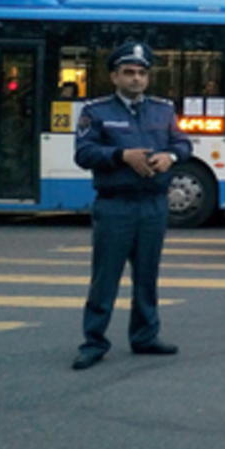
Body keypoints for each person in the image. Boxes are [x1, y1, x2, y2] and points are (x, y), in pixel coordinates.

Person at [71, 42, 192, 370]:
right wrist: (121, 156)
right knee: (105, 277)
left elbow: (182, 142)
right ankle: (94, 341)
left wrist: (171, 156)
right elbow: (83, 154)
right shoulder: (97, 112)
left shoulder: (163, 110)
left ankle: (145, 336)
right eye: (128, 72)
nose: (136, 78)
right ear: (114, 76)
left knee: (147, 276)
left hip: (153, 204)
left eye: (141, 73)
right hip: (116, 205)